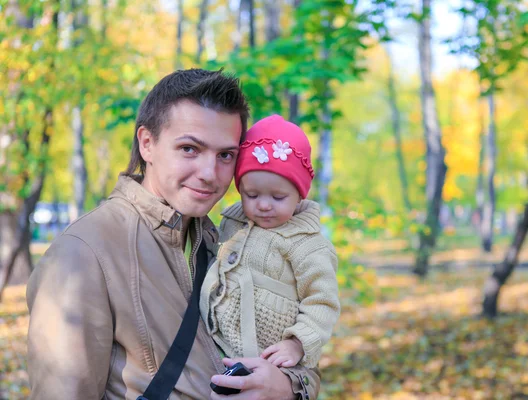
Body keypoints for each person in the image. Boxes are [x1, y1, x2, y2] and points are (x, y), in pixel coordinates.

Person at [26, 69, 320, 399]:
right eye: (190, 149)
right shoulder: (82, 253)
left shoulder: (229, 239)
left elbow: (296, 352)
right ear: (147, 144)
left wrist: (288, 385)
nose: (210, 174)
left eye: (225, 155)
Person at [200, 115, 340, 370]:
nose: (263, 205)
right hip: (215, 348)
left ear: (299, 195)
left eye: (278, 197)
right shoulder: (231, 223)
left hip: (271, 361)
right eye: (251, 195)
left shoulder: (307, 244)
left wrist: (297, 344)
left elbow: (322, 301)